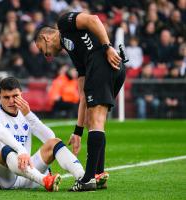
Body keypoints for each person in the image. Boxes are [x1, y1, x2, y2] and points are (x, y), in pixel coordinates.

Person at [35, 12, 126, 191]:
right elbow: (83, 94)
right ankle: (98, 175)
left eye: (41, 49)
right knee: (95, 121)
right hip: (113, 68)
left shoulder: (63, 23)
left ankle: (88, 179)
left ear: (46, 37)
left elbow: (94, 20)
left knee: (97, 120)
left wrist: (107, 47)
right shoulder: (74, 52)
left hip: (103, 61)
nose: (46, 55)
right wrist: (77, 131)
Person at [0, 77, 85, 191]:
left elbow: (50, 137)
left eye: (15, 96)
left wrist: (29, 115)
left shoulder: (25, 114)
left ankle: (83, 177)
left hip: (25, 173)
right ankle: (44, 180)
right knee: (7, 149)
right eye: (6, 97)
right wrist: (21, 150)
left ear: (21, 94)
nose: (11, 101)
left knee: (54, 143)